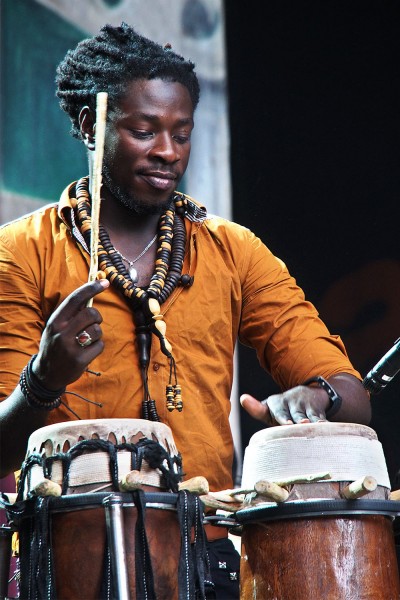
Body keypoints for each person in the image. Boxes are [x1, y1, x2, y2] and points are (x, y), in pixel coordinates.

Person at [0, 23, 370, 599]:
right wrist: (44, 380)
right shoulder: (22, 253)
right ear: (86, 126)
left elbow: (355, 396)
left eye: (182, 133)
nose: (168, 152)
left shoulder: (233, 250)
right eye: (143, 131)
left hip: (213, 550)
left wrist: (317, 396)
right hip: (75, 551)